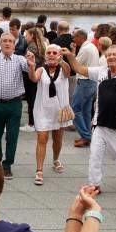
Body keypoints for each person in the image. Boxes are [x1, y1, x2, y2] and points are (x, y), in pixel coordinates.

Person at [64, 45, 116, 190]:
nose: (110, 57)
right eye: (108, 55)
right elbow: (79, 69)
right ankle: (94, 184)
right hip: (100, 122)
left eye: (114, 55)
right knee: (94, 155)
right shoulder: (101, 71)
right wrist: (70, 56)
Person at [24, 43, 73, 185]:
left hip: (59, 110)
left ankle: (56, 159)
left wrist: (62, 60)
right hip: (42, 109)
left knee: (57, 139)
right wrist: (31, 66)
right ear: (45, 56)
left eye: (54, 53)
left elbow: (68, 71)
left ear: (59, 55)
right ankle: (39, 170)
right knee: (42, 138)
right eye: (49, 53)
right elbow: (33, 78)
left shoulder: (63, 69)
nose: (51, 55)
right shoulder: (41, 69)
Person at [0, 32, 29, 180]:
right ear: (1, 44)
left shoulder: (20, 59)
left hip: (14, 103)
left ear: (14, 44)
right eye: (4, 41)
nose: (7, 43)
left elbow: (29, 70)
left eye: (10, 41)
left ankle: (7, 164)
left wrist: (32, 62)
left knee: (12, 136)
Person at [70, 29, 99, 148]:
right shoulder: (92, 46)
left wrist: (71, 53)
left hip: (84, 81)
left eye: (75, 37)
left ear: (81, 37)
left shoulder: (86, 48)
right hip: (92, 81)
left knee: (75, 109)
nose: (73, 39)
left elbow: (75, 64)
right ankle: (88, 134)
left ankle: (86, 135)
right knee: (86, 110)